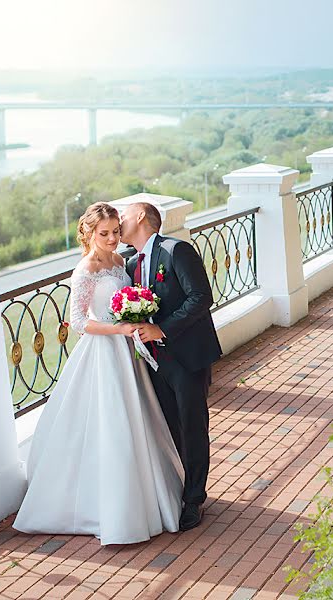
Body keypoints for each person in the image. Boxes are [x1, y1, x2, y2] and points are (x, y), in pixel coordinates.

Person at [13, 202, 183, 545]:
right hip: (104, 352)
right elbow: (78, 322)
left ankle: (148, 498)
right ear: (88, 233)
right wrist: (117, 329)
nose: (111, 238)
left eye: (115, 232)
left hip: (128, 352)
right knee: (111, 423)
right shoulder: (85, 269)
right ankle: (110, 509)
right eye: (103, 233)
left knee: (139, 419)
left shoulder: (121, 262)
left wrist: (136, 317)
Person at [120, 202, 222, 531]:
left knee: (192, 426)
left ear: (140, 217)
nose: (119, 220)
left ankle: (194, 498)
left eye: (123, 215)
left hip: (187, 355)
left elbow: (200, 297)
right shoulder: (131, 263)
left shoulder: (176, 250)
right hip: (151, 361)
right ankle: (177, 487)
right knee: (168, 426)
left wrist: (163, 329)